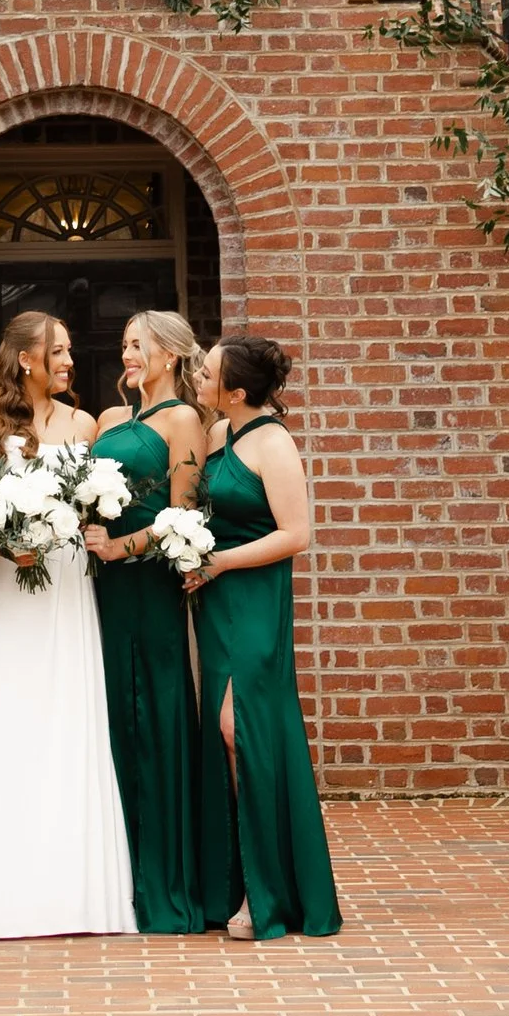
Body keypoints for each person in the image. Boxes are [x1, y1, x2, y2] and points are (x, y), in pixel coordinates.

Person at [0, 309, 137, 939]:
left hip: (66, 588)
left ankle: (73, 889)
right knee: (4, 715)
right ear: (26, 357)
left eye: (71, 352)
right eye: (59, 351)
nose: (71, 362)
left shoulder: (83, 424)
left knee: (65, 715)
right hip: (7, 593)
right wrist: (6, 545)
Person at [185, 334, 341, 940]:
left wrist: (221, 561)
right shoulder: (221, 434)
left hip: (252, 597)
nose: (199, 375)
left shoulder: (274, 442)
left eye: (209, 370)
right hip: (216, 600)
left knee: (240, 728)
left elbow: (295, 534)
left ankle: (270, 890)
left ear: (238, 390)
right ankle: (237, 881)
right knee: (223, 733)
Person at [83, 307, 211, 932]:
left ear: (171, 354)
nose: (127, 355)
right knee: (107, 712)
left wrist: (122, 547)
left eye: (137, 345)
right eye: (125, 344)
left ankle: (161, 878)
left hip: (148, 586)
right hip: (100, 586)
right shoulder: (111, 420)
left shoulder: (184, 418)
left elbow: (184, 517)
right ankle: (111, 872)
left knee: (154, 712)